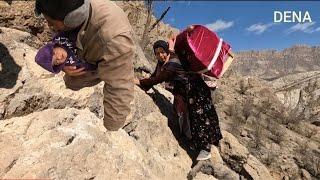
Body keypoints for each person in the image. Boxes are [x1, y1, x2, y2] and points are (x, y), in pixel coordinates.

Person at [35, 0, 135, 131]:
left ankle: (101, 69)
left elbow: (120, 87)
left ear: (72, 19)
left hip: (105, 54)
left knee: (77, 81)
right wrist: (62, 64)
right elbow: (57, 40)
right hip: (87, 46)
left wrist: (111, 129)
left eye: (52, 23)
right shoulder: (70, 11)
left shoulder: (114, 40)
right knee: (71, 82)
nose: (49, 26)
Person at [135, 39, 222, 161]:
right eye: (157, 53)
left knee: (200, 119)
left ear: (166, 50)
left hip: (196, 91)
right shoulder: (163, 62)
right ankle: (194, 141)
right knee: (182, 113)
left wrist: (139, 82)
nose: (160, 55)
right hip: (185, 91)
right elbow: (155, 75)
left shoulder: (173, 63)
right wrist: (146, 85)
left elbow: (158, 79)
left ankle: (205, 149)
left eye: (162, 52)